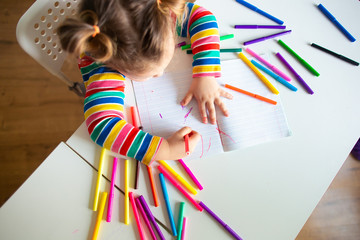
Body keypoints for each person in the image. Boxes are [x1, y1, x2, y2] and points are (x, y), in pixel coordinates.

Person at [57, 0, 232, 165]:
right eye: (153, 74)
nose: (161, 74)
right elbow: (102, 125)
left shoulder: (155, 12)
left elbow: (202, 18)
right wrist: (166, 150)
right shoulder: (103, 67)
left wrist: (205, 74)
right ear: (118, 65)